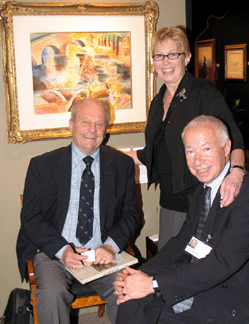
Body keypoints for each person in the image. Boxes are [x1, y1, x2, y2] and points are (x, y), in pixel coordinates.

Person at [114, 115, 249, 324]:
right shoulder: (201, 190)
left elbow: (222, 263)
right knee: (133, 301)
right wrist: (137, 276)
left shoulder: (244, 196)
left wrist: (152, 284)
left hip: (227, 300)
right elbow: (182, 242)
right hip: (196, 284)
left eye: (206, 149)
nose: (198, 161)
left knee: (143, 297)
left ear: (226, 148)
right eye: (190, 151)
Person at [16, 99, 139, 324]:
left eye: (99, 124)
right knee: (52, 293)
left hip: (102, 252)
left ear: (106, 129)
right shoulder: (42, 166)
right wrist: (63, 250)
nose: (92, 130)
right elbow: (30, 218)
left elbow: (131, 214)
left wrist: (110, 245)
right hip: (54, 252)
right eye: (85, 122)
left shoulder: (122, 165)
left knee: (129, 289)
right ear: (71, 124)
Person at [127, 26, 245, 250]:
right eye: (159, 56)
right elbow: (152, 152)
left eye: (173, 54)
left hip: (199, 196)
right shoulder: (157, 101)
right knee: (169, 259)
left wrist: (236, 173)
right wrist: (111, 154)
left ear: (187, 57)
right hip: (169, 198)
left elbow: (234, 138)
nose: (166, 62)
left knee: (195, 264)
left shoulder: (203, 92)